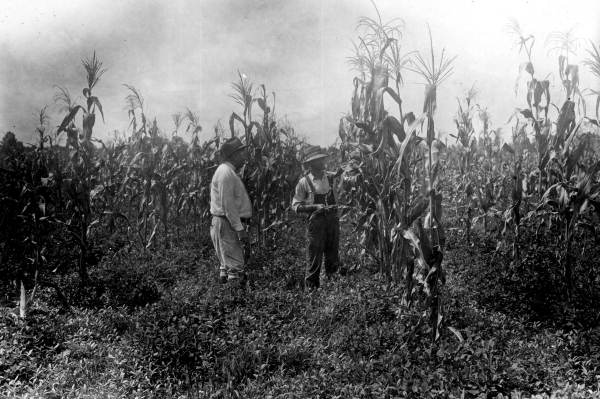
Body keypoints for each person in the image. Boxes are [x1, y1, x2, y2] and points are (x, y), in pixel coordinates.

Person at [292, 145, 341, 289]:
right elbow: (296, 206)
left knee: (333, 257)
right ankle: (312, 294)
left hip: (332, 222)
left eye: (322, 159)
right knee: (314, 259)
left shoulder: (329, 177)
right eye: (318, 160)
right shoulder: (304, 182)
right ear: (311, 164)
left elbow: (341, 173)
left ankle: (333, 292)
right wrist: (314, 207)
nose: (322, 162)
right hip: (316, 223)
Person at [209, 137, 252, 285]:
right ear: (233, 155)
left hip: (225, 223)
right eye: (241, 153)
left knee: (226, 267)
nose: (244, 156)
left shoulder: (227, 171)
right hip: (227, 224)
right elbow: (228, 205)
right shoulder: (226, 173)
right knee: (236, 268)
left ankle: (225, 302)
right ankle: (235, 304)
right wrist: (239, 229)